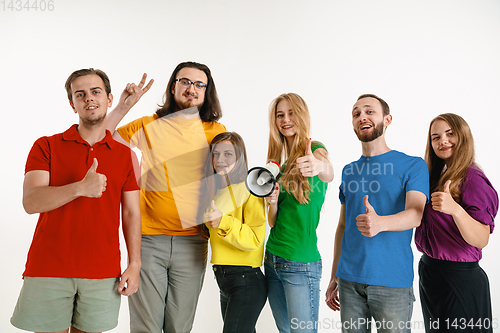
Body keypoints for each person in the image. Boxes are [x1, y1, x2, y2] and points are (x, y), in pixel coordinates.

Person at [10, 68, 141, 333]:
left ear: (109, 98)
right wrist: (79, 188)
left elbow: (131, 214)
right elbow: (31, 202)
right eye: (80, 94)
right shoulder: (46, 146)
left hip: (103, 271)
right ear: (72, 104)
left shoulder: (126, 156)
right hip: (48, 269)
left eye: (96, 92)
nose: (89, 98)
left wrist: (135, 263)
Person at [106, 61, 226, 333]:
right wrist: (125, 106)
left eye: (199, 84)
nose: (191, 89)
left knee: (179, 327)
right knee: (145, 327)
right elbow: (102, 140)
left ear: (207, 92)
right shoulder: (149, 125)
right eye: (184, 82)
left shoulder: (216, 132)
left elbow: (234, 180)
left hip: (193, 242)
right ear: (173, 87)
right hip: (148, 242)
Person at [325, 94, 429, 333]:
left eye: (369, 111)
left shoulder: (412, 165)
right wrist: (334, 275)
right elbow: (343, 226)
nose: (362, 116)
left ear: (387, 119)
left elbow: (416, 214)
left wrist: (381, 223)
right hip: (349, 280)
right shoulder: (348, 171)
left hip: (391, 282)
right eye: (356, 113)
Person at [415, 113, 498, 332]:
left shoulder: (472, 178)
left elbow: (481, 239)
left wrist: (455, 210)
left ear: (463, 136)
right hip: (431, 274)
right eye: (435, 137)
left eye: (450, 134)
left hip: (459, 280)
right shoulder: (435, 176)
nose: (442, 140)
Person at [264, 93, 334, 333]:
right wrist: (271, 203)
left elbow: (328, 172)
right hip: (272, 258)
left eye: (291, 113)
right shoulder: (280, 167)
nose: (285, 120)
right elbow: (273, 222)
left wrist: (318, 165)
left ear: (302, 115)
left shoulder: (314, 150)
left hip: (300, 264)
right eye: (280, 115)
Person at [201, 131, 267, 333]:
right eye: (216, 154)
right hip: (225, 281)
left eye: (228, 154)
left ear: (239, 157)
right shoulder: (217, 191)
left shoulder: (250, 189)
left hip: (245, 281)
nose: (220, 160)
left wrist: (223, 221)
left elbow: (255, 239)